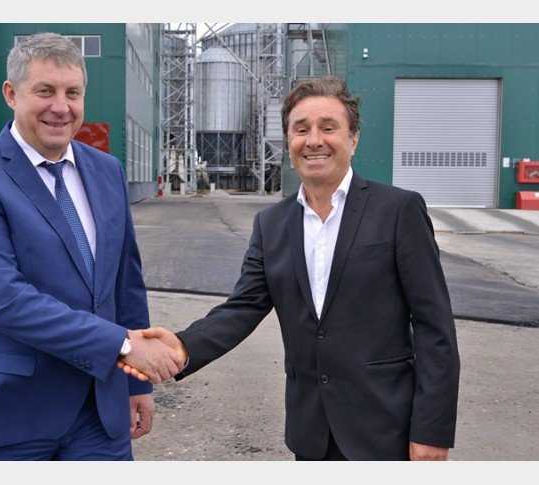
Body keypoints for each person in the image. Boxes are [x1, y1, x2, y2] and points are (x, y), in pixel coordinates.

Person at [122, 76, 460, 461]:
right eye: (301, 129)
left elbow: (434, 327)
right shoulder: (273, 224)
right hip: (312, 431)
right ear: (288, 142)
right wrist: (183, 346)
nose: (314, 140)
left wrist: (431, 430)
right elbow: (242, 308)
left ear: (353, 139)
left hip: (386, 429)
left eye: (328, 128)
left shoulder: (398, 211)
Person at [0, 32, 182, 461]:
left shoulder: (106, 170)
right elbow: (3, 299)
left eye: (72, 93)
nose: (61, 107)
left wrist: (134, 383)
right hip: (12, 413)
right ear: (11, 94)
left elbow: (125, 283)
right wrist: (123, 345)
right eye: (45, 91)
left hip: (100, 413)